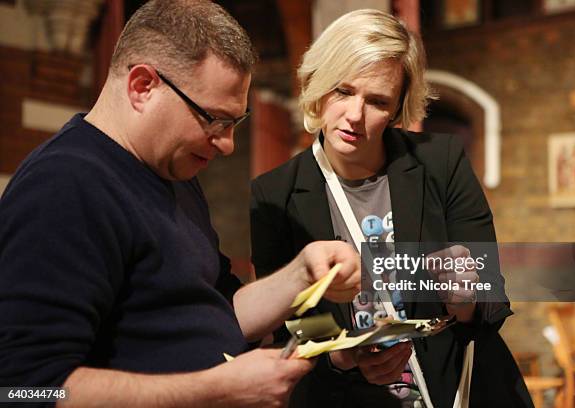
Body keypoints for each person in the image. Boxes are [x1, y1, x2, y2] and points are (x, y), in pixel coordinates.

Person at [0, 1, 362, 406]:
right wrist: (217, 390)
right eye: (213, 120)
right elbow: (23, 389)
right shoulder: (64, 187)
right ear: (142, 86)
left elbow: (220, 308)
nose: (226, 145)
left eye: (234, 124)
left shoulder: (171, 173)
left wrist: (302, 274)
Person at [250, 9, 532, 408]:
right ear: (318, 84)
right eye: (343, 91)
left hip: (460, 389)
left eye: (377, 101)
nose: (354, 115)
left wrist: (465, 297)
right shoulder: (275, 192)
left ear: (397, 110)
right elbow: (286, 325)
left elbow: (492, 299)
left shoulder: (441, 162)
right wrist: (342, 356)